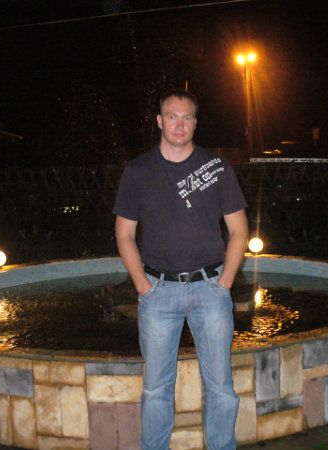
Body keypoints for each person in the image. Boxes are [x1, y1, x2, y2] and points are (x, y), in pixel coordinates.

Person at [113, 88, 248, 450]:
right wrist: (143, 287)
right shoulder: (138, 171)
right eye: (172, 116)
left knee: (221, 388)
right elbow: (124, 235)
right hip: (158, 292)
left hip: (210, 290)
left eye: (187, 117)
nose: (179, 124)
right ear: (159, 121)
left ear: (195, 123)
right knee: (156, 389)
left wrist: (224, 284)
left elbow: (239, 231)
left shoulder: (217, 168)